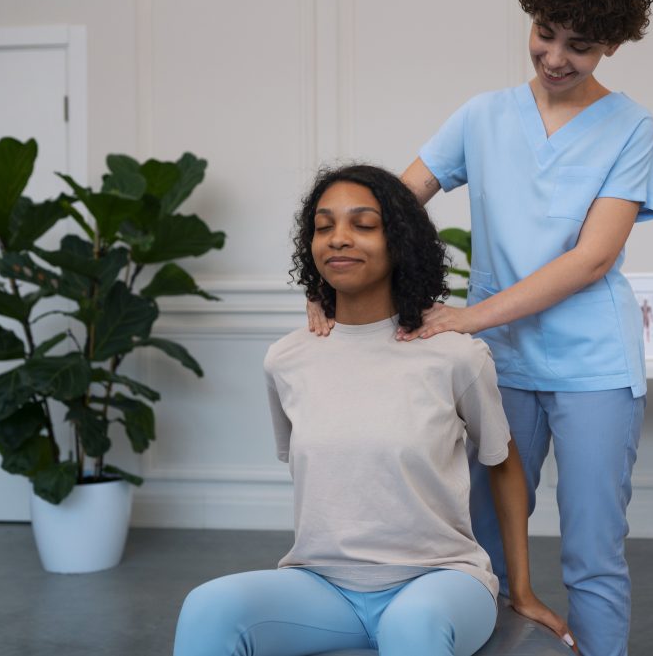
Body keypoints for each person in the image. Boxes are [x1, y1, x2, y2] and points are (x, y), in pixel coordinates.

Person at [307, 0, 653, 654]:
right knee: (481, 546)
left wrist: (469, 317)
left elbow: (590, 259)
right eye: (544, 35)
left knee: (593, 550)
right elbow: (392, 202)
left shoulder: (631, 126)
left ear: (611, 45)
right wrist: (329, 270)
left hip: (595, 364)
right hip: (501, 365)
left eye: (579, 46)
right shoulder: (482, 116)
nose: (555, 57)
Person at [173, 165, 574, 656]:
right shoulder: (286, 359)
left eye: (362, 225)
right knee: (207, 607)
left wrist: (524, 590)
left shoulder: (454, 355)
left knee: (412, 625)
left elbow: (504, 463)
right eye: (324, 227)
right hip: (322, 585)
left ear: (398, 241)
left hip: (439, 582)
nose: (339, 239)